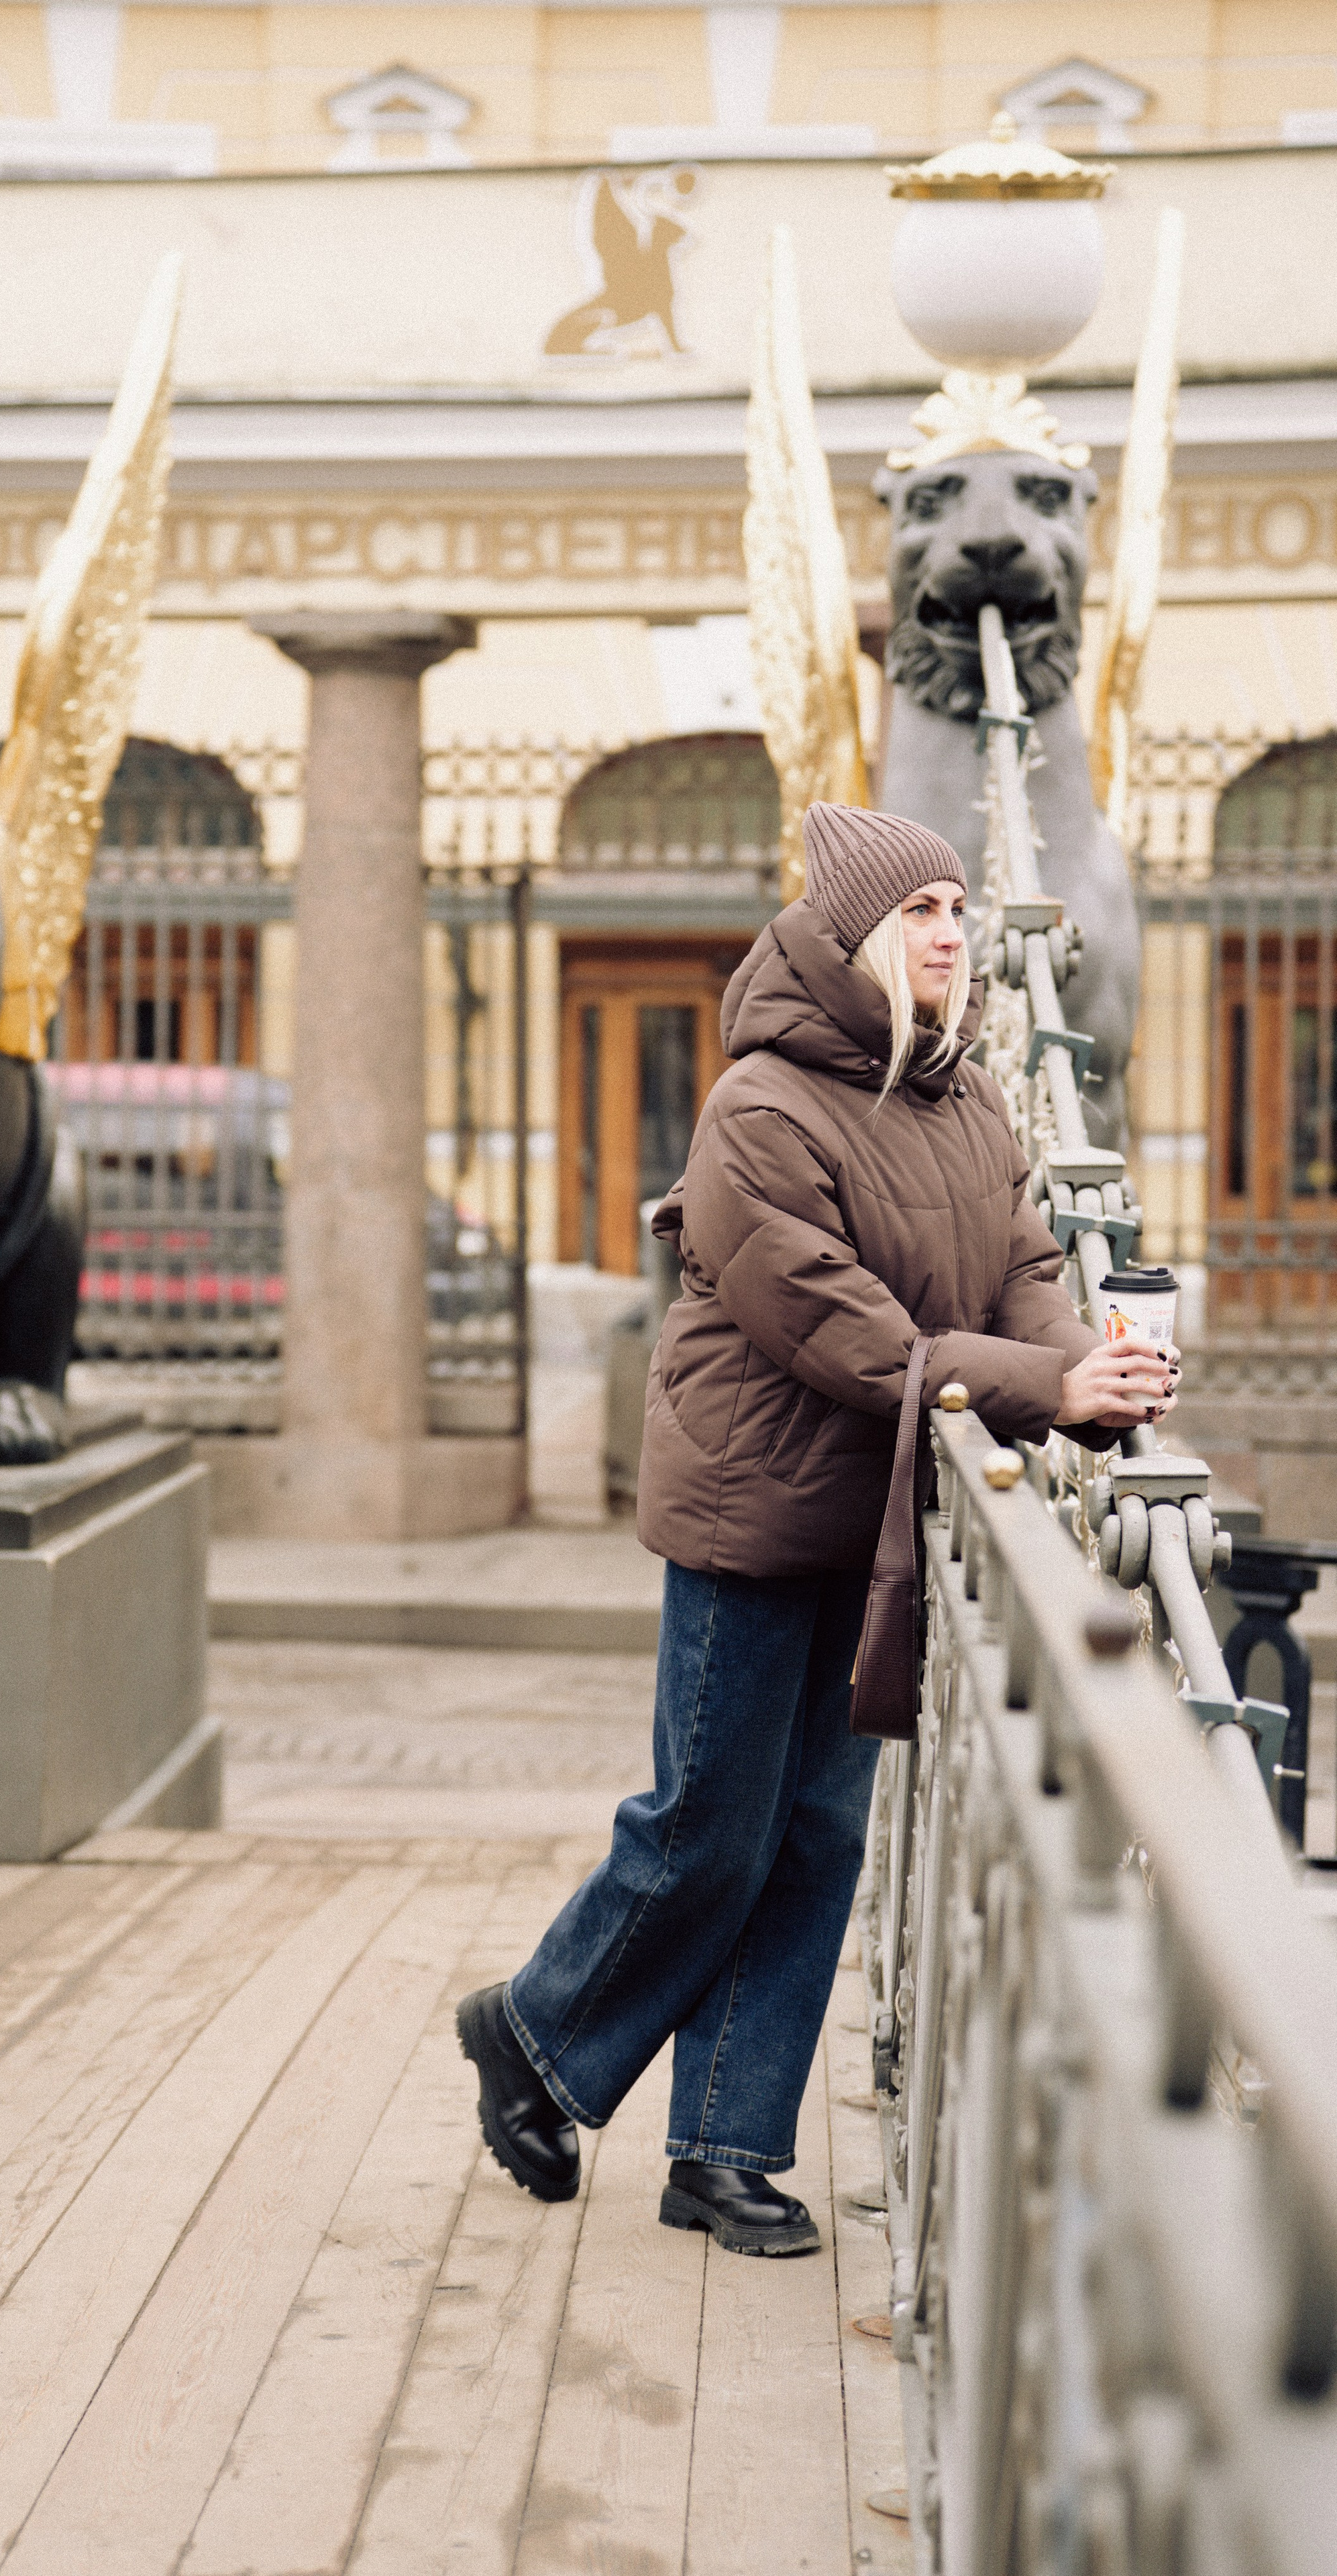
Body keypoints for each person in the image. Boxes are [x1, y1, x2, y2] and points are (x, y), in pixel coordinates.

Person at [457, 802, 1176, 2255]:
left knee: (816, 1839)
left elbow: (1024, 1263)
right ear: (851, 936)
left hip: (878, 1518)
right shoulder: (761, 1111)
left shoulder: (962, 1097)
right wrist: (1049, 1383)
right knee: (708, 1829)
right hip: (751, 1511)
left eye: (958, 912)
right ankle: (530, 2032)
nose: (949, 936)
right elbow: (847, 1337)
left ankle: (723, 2150)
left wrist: (1089, 1372)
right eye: (917, 911)